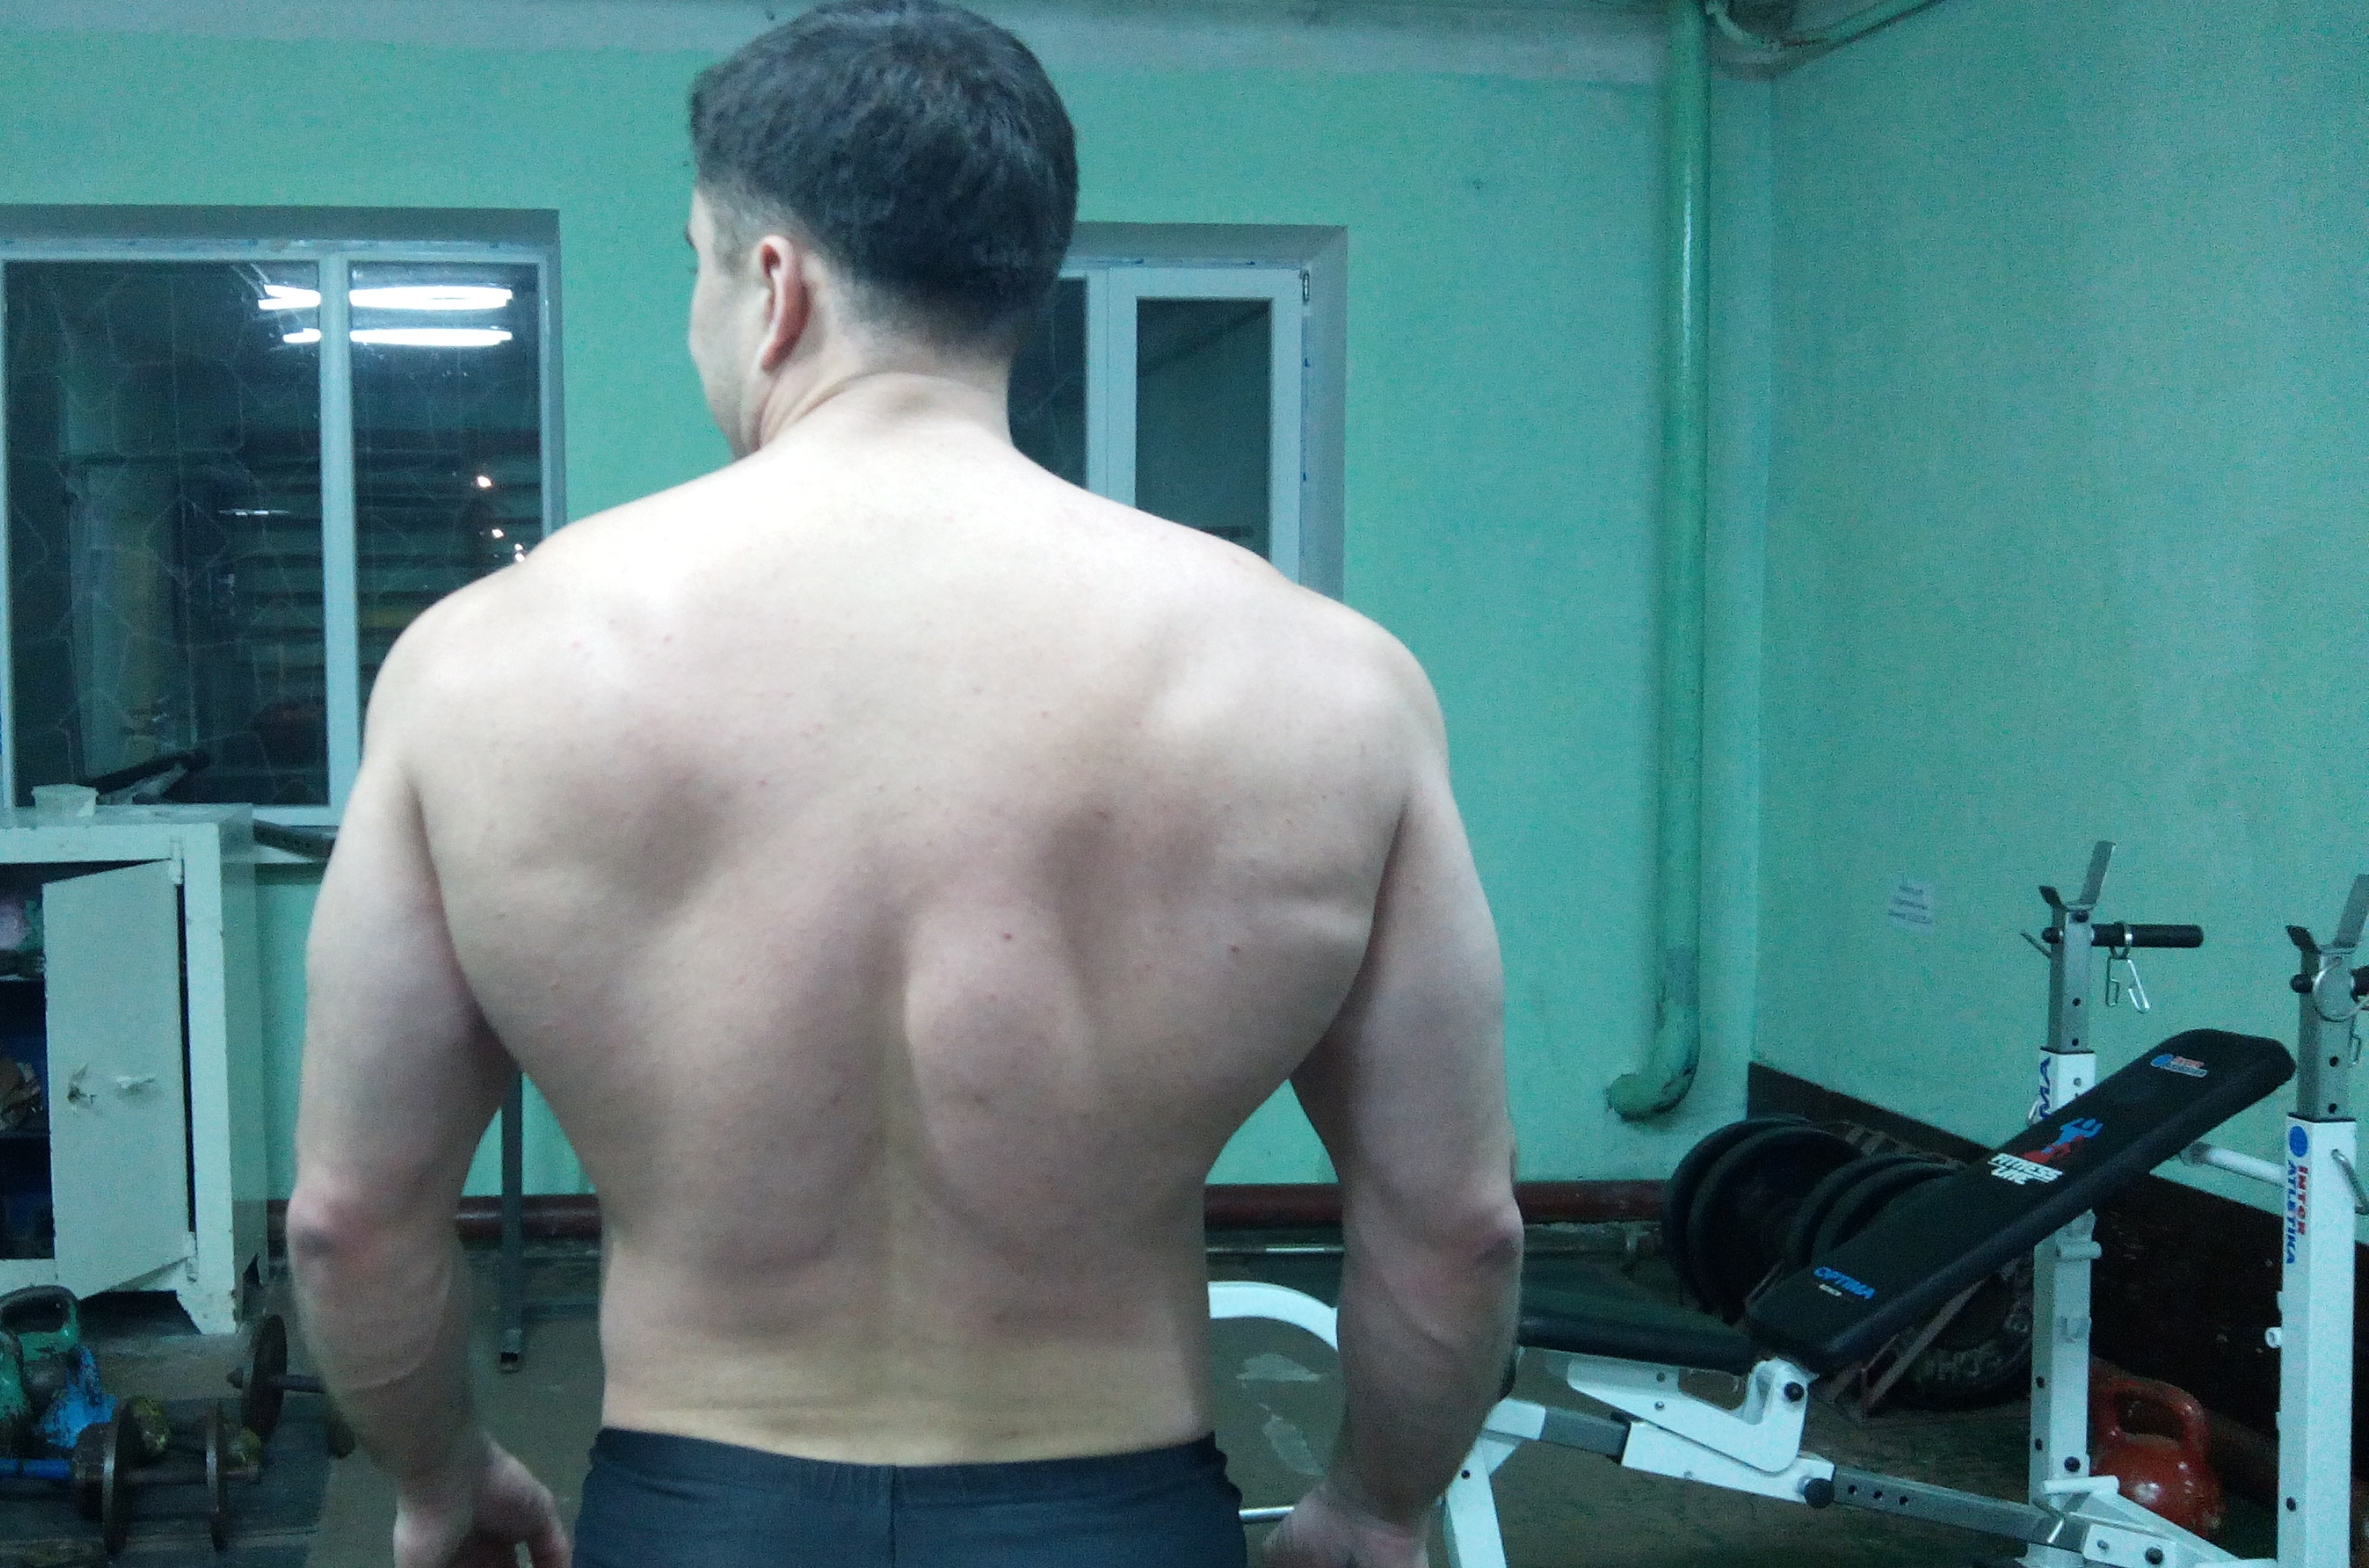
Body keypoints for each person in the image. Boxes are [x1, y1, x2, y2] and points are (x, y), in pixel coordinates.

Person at [287, 2, 1520, 1563]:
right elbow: (1455, 1230)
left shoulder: (480, 668)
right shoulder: (1329, 683)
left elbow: (352, 1219)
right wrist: (1377, 1504)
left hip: (702, 1516)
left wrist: (440, 1476)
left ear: (773, 285)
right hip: (1113, 1514)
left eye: (693, 266)